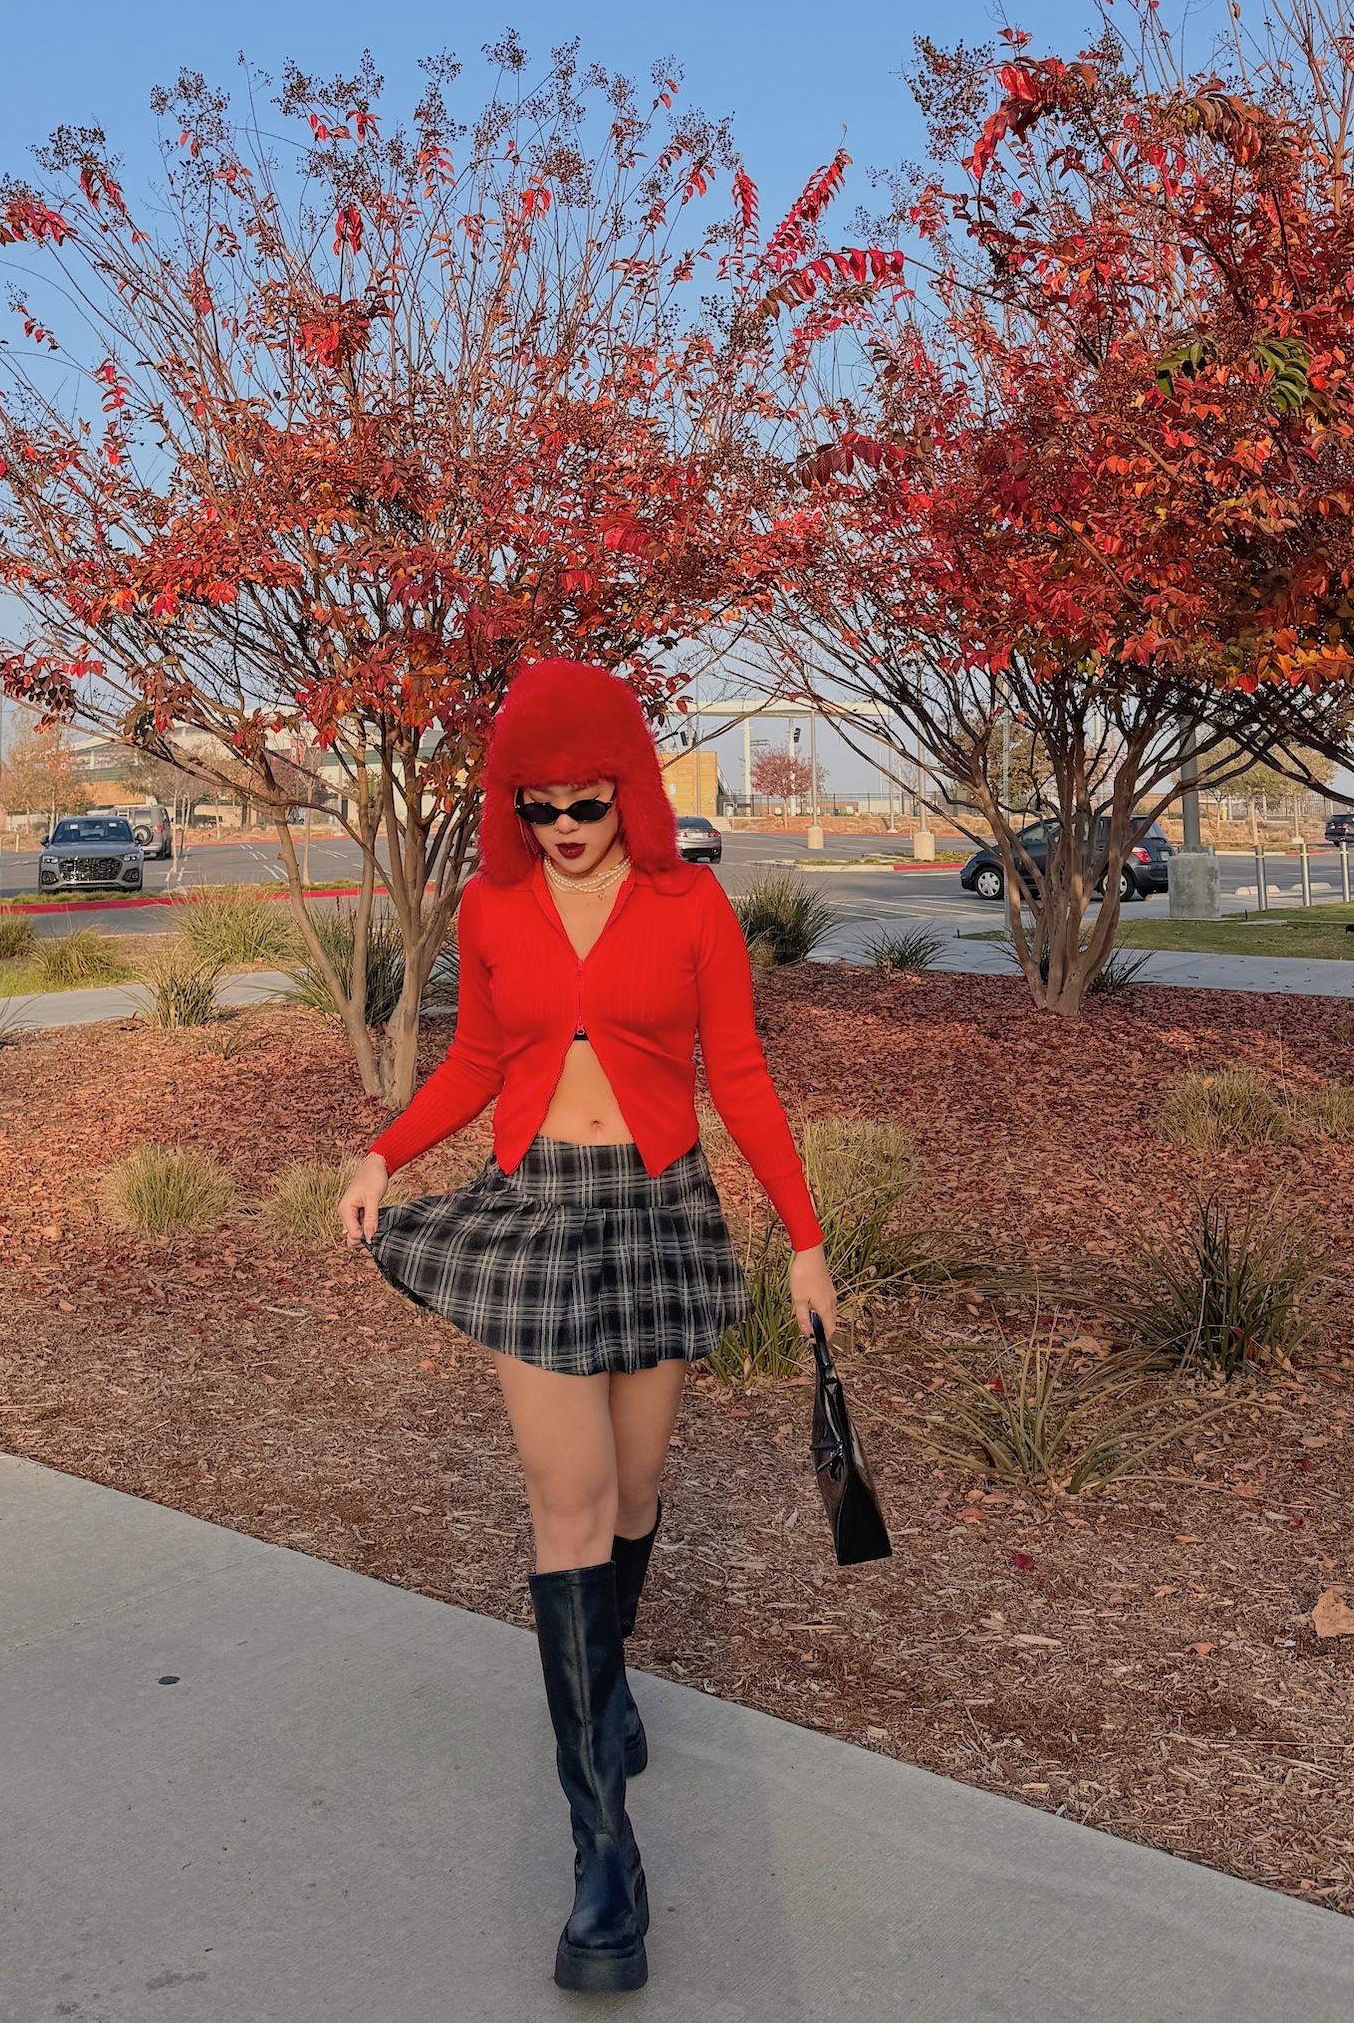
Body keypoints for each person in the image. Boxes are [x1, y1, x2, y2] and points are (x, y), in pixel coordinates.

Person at [340, 657, 835, 1997]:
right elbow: (475, 1059)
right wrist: (385, 1151)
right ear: (514, 801)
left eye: (588, 804)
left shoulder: (689, 904)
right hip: (536, 1213)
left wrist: (803, 1239)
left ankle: (606, 1690)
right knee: (567, 1504)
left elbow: (739, 1072)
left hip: (659, 1209)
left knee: (635, 1491)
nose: (563, 828)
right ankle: (604, 1860)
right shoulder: (492, 906)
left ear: (631, 793)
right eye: (540, 805)